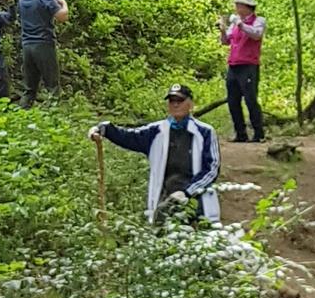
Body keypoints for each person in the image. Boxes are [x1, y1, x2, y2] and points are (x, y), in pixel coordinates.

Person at [91, 85, 222, 223]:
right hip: (164, 199)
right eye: (172, 101)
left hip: (198, 202)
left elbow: (212, 168)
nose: (176, 104)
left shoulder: (205, 132)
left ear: (190, 104)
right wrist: (104, 129)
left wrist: (187, 191)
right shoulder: (156, 131)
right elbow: (129, 137)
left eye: (180, 100)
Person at [12, 0, 69, 106]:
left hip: (27, 45)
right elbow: (63, 17)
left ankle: (23, 112)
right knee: (52, 86)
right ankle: (54, 114)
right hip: (44, 44)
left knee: (29, 88)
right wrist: (63, 3)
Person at [222, 0, 266, 142]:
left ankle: (258, 133)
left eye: (238, 5)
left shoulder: (258, 21)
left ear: (246, 7)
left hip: (249, 66)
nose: (236, 8)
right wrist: (223, 30)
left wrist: (240, 24)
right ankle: (240, 134)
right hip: (233, 65)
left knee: (250, 99)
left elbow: (256, 34)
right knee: (233, 101)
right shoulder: (235, 22)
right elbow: (225, 41)